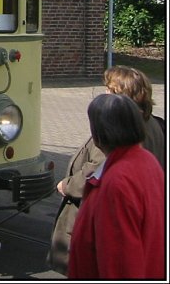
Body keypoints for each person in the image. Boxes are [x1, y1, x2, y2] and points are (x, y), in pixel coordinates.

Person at [48, 65, 166, 274]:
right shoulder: (149, 144)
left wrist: (66, 185)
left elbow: (118, 257)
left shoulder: (115, 180)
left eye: (110, 90)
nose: (105, 93)